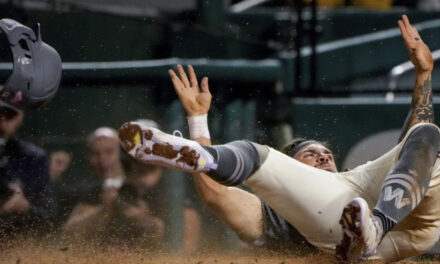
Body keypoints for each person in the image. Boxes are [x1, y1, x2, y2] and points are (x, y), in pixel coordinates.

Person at [119, 15, 440, 262]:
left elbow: (413, 145)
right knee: (254, 154)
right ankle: (202, 155)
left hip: (388, 210)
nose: (323, 157)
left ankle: (375, 229)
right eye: (310, 155)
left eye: (325, 153)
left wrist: (423, 74)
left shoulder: (348, 185)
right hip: (348, 238)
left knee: (426, 134)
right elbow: (217, 197)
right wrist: (198, 122)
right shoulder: (275, 219)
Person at [0, 103, 58, 237]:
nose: (2, 123)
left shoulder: (33, 158)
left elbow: (51, 218)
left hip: (18, 244)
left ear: (20, 116)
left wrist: (25, 207)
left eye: (8, 116)